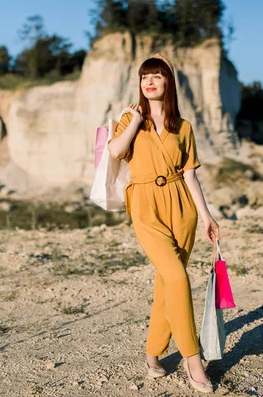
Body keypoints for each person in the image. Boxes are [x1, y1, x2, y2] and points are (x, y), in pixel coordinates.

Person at [107, 53, 220, 394]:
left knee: (165, 286)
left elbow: (190, 175)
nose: (150, 82)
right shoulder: (129, 119)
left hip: (181, 208)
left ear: (169, 82)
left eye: (157, 76)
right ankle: (192, 358)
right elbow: (114, 152)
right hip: (145, 205)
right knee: (176, 276)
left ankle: (153, 352)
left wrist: (207, 216)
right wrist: (133, 118)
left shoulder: (183, 127)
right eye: (145, 77)